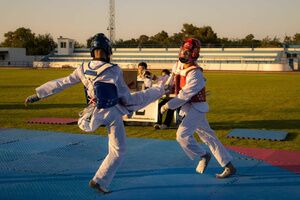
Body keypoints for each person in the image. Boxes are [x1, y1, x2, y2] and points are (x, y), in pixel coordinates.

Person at [25, 33, 165, 194]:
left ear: (92, 51)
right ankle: (100, 181)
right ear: (107, 50)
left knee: (133, 105)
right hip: (111, 113)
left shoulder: (82, 68)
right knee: (119, 149)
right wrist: (130, 107)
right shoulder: (113, 70)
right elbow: (125, 97)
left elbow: (62, 82)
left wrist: (39, 94)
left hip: (91, 114)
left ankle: (100, 181)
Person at [161, 38, 236, 178]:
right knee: (209, 137)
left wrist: (168, 105)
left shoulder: (195, 72)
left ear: (194, 54)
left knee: (182, 135)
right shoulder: (177, 65)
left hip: (196, 107)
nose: (183, 54)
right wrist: (161, 90)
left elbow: (185, 94)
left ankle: (204, 155)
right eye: (183, 50)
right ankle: (228, 166)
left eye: (187, 52)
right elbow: (170, 82)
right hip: (187, 106)